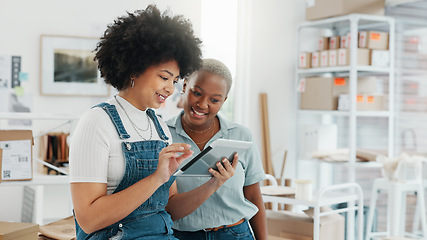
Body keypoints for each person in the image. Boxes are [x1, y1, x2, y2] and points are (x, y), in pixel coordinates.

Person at [69, 5, 202, 239]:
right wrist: (157, 178)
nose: (170, 89)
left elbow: (169, 206)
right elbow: (89, 221)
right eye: (164, 77)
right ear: (134, 68)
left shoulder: (160, 128)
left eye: (175, 80)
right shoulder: (96, 122)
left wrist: (214, 182)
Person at [166, 59, 268, 240]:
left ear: (224, 101)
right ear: (184, 86)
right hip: (181, 236)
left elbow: (253, 195)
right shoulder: (163, 135)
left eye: (214, 100)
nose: (203, 104)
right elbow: (168, 208)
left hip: (235, 234)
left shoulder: (240, 135)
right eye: (196, 93)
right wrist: (214, 183)